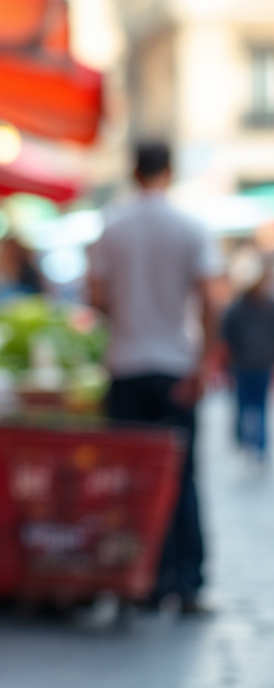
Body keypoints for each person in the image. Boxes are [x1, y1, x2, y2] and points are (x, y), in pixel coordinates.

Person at [89, 142, 224, 614]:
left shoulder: (114, 225)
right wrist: (204, 363)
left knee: (129, 480)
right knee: (182, 475)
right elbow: (210, 299)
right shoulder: (190, 226)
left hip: (125, 365)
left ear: (132, 172)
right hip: (174, 369)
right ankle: (186, 583)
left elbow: (96, 296)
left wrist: (128, 317)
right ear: (169, 170)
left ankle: (139, 579)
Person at [221, 250, 274, 461]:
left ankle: (253, 444)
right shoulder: (239, 307)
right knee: (251, 406)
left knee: (251, 406)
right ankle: (251, 444)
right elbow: (226, 336)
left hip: (252, 364)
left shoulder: (262, 306)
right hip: (248, 364)